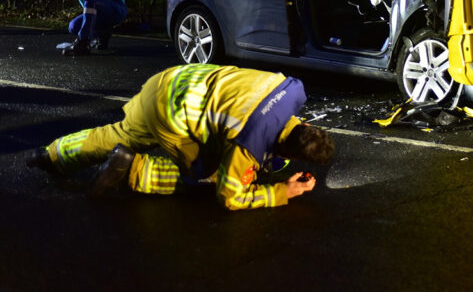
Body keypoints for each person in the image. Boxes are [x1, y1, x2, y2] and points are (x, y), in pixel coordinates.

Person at [26, 64, 336, 211]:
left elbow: (267, 123)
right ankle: (130, 168)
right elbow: (230, 198)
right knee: (206, 174)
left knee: (115, 133)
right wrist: (284, 191)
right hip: (173, 114)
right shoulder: (249, 144)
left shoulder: (291, 90)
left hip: (169, 79)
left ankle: (51, 155)